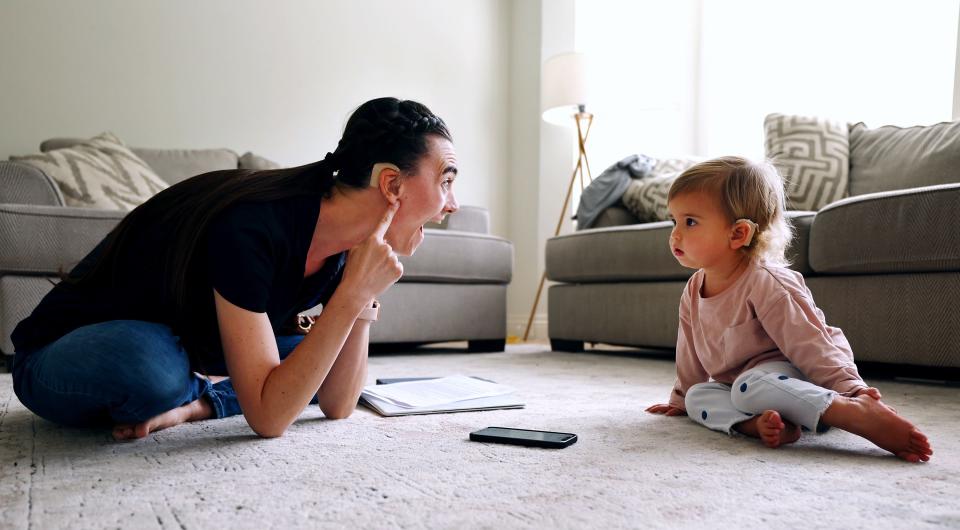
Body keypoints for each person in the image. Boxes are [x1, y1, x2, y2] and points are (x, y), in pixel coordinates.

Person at [11, 97, 460, 440]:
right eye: (446, 181)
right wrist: (345, 301)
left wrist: (359, 295)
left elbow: (338, 402)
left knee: (302, 359)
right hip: (61, 356)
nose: (452, 205)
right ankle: (202, 384)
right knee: (155, 367)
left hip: (190, 346)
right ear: (391, 184)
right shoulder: (254, 225)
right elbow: (269, 419)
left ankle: (198, 400)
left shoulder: (347, 247)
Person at [645, 156, 933, 463]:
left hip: (799, 374)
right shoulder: (694, 288)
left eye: (690, 222)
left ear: (738, 234)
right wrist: (680, 398)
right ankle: (757, 425)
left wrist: (852, 388)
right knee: (698, 396)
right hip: (747, 386)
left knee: (748, 387)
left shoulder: (766, 282)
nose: (675, 234)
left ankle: (851, 413)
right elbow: (689, 351)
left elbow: (811, 342)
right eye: (674, 221)